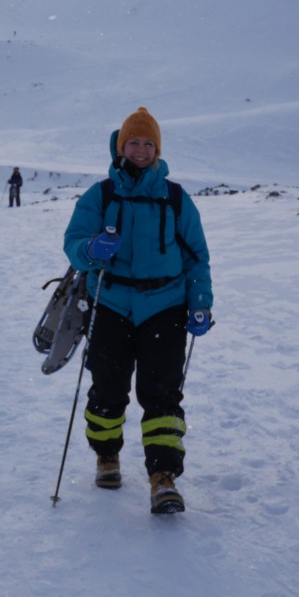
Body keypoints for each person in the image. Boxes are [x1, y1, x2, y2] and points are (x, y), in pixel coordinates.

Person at [62, 106, 213, 514]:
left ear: (158, 149)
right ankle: (106, 455)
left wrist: (200, 302)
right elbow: (73, 242)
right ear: (120, 146)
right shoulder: (101, 195)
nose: (141, 149)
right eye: (134, 142)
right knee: (107, 388)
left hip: (165, 306)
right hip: (110, 302)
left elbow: (197, 257)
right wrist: (90, 251)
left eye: (149, 143)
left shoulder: (176, 198)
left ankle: (162, 478)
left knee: (162, 393)